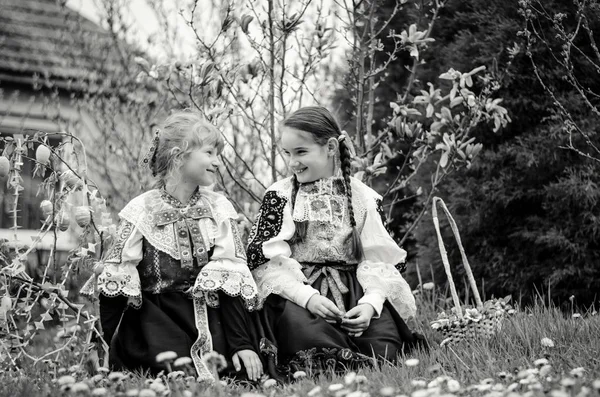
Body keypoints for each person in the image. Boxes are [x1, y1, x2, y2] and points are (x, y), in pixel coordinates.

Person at [81, 110, 263, 381]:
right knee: (173, 370)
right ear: (180, 156)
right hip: (156, 321)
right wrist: (103, 344)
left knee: (238, 372)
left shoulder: (219, 208)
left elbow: (231, 280)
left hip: (212, 320)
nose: (217, 162)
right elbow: (116, 283)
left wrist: (242, 344)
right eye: (210, 153)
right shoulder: (141, 210)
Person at [247, 106, 426, 377]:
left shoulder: (363, 197)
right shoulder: (280, 195)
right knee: (306, 339)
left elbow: (379, 260)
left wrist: (370, 304)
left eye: (301, 152)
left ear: (330, 147)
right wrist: (306, 298)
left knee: (383, 346)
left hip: (355, 290)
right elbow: (266, 260)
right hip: (300, 292)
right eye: (287, 153)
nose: (292, 162)